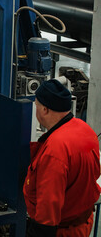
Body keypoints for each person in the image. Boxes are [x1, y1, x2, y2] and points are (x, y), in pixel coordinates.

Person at [23, 79, 101, 237]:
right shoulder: (84, 129)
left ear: (45, 109)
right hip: (83, 223)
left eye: (36, 105)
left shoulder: (55, 150)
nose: (36, 109)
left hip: (62, 231)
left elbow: (48, 207)